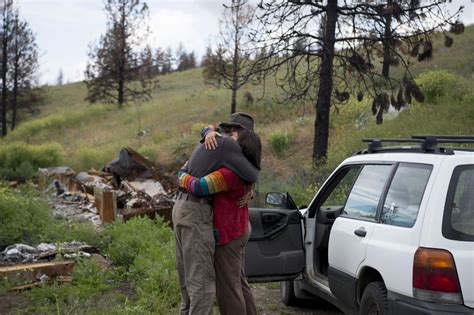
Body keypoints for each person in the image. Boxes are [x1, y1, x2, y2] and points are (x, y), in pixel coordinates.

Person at [172, 113, 259, 315]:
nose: (225, 135)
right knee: (237, 281)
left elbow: (199, 186)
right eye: (225, 131)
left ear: (239, 135)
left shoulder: (232, 168)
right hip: (238, 226)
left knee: (226, 288)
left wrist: (182, 175)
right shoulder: (238, 161)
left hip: (229, 232)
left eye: (231, 131)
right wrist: (207, 131)